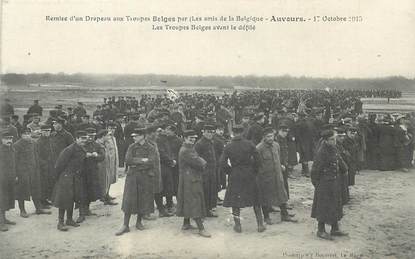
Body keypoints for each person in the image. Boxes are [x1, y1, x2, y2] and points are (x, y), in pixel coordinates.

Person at [220, 125, 265, 233]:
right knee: (256, 200)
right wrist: (254, 170)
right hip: (249, 173)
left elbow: (222, 162)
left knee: (235, 201)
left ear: (233, 133)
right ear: (243, 132)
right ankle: (260, 225)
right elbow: (258, 160)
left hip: (235, 174)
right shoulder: (249, 144)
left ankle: (238, 226)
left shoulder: (228, 146)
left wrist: (230, 171)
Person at [116, 127, 157, 236]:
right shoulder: (131, 147)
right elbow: (128, 160)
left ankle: (139, 222)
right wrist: (143, 160)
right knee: (129, 200)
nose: (134, 138)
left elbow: (152, 161)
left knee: (142, 199)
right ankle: (125, 225)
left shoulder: (151, 148)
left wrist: (137, 162)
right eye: (133, 136)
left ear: (143, 136)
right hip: (133, 176)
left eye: (136, 136)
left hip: (145, 176)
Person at [311, 130, 348, 240]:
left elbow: (339, 159)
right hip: (325, 183)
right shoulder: (321, 152)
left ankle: (335, 228)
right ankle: (320, 230)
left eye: (335, 139)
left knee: (335, 204)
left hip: (334, 182)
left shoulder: (333, 148)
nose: (334, 141)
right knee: (323, 206)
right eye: (332, 139)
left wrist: (345, 168)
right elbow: (315, 170)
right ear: (326, 140)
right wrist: (317, 184)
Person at [257, 127, 297, 225]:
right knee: (265, 198)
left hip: (278, 175)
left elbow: (278, 158)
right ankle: (266, 217)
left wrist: (281, 166)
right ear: (264, 137)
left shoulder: (276, 145)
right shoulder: (259, 148)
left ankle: (284, 214)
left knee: (281, 194)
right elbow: (256, 165)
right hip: (266, 177)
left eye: (272, 136)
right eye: (268, 136)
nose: (271, 138)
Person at [176, 130, 211, 238]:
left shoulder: (189, 148)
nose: (192, 140)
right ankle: (201, 228)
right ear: (185, 138)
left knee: (188, 199)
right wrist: (203, 162)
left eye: (194, 138)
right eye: (190, 138)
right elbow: (199, 162)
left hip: (189, 178)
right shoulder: (186, 150)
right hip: (190, 179)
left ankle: (186, 223)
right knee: (194, 200)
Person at [52, 130, 88, 231]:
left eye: (85, 138)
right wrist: (58, 178)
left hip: (76, 177)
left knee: (72, 198)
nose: (84, 140)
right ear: (76, 139)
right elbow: (59, 164)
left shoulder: (81, 148)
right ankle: (60, 222)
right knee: (64, 199)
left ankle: (69, 219)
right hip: (66, 177)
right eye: (82, 138)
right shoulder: (69, 149)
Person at [14, 128, 51, 218]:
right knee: (22, 191)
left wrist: (38, 168)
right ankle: (22, 210)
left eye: (28, 133)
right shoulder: (16, 145)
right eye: (25, 134)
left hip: (34, 170)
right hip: (23, 171)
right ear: (21, 135)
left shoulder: (33, 143)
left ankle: (38, 208)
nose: (27, 135)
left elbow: (36, 156)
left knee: (36, 189)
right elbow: (14, 161)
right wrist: (16, 174)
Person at [76, 128, 105, 223]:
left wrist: (97, 155)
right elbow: (75, 156)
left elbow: (102, 157)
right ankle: (81, 214)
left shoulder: (97, 145)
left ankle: (87, 210)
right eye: (89, 135)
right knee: (81, 193)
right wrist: (85, 155)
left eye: (93, 136)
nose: (90, 138)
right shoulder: (80, 145)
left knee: (90, 192)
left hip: (92, 172)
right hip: (81, 172)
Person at [194, 124, 218, 217]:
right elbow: (196, 158)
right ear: (203, 132)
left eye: (212, 132)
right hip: (204, 172)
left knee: (210, 191)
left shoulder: (210, 142)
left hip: (211, 171)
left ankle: (208, 210)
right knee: (204, 191)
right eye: (208, 132)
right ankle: (202, 212)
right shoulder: (199, 144)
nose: (210, 134)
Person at [0, 131, 16, 232]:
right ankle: (1, 223)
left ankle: (4, 219)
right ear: (2, 140)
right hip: (1, 179)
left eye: (10, 138)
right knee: (1, 200)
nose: (9, 140)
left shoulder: (12, 149)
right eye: (6, 138)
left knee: (6, 199)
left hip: (9, 178)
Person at [37, 125, 55, 207]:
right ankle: (41, 202)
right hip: (42, 166)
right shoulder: (39, 142)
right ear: (41, 131)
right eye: (45, 131)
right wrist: (44, 163)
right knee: (42, 184)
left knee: (48, 183)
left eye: (48, 131)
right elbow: (37, 156)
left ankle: (45, 199)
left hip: (50, 165)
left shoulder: (50, 140)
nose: (47, 132)